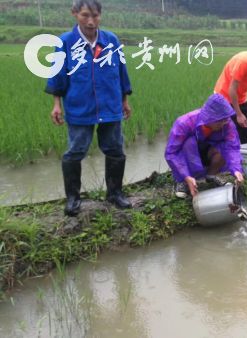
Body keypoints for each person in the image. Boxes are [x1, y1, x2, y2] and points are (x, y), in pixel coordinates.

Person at [45, 0, 133, 216]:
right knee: (75, 151)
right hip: (79, 106)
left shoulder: (111, 40)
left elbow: (121, 72)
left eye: (95, 16)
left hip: (110, 105)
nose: (91, 21)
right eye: (85, 15)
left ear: (100, 15)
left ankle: (114, 193)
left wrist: (124, 100)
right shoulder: (65, 42)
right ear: (74, 13)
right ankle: (73, 198)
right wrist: (57, 104)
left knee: (115, 148)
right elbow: (58, 75)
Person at [165, 94, 245, 198]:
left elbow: (232, 147)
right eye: (219, 120)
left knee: (224, 148)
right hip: (190, 153)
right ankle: (184, 180)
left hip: (209, 152)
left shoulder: (227, 124)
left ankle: (211, 176)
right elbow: (172, 152)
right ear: (209, 117)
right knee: (189, 143)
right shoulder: (185, 122)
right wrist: (185, 176)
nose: (223, 123)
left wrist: (237, 170)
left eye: (225, 119)